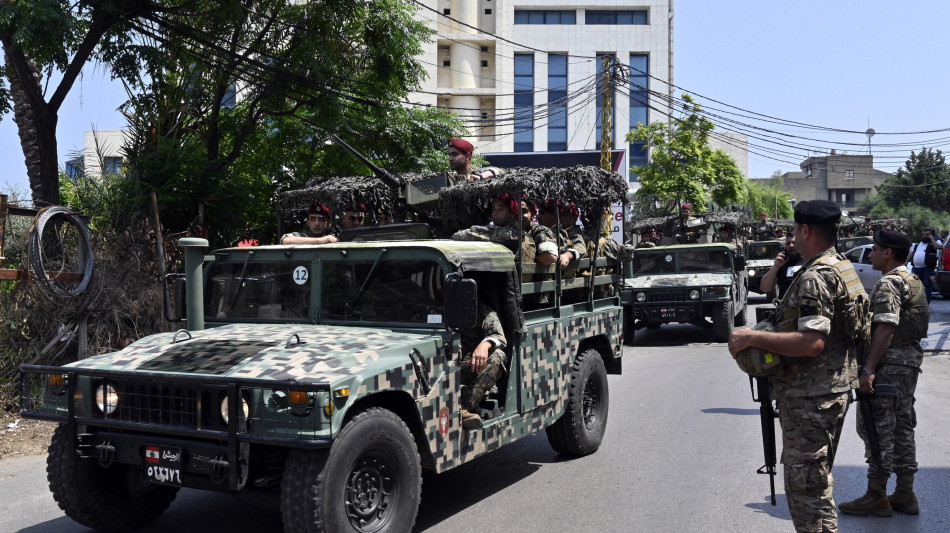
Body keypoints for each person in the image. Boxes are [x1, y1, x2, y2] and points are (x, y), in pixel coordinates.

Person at [728, 199, 864, 533]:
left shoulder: (815, 277)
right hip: (830, 390)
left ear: (805, 230)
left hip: (811, 398)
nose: (792, 238)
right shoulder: (841, 266)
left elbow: (811, 342)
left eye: (794, 231)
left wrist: (753, 339)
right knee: (818, 484)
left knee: (807, 494)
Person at [839, 230, 929, 517]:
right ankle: (905, 493)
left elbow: (886, 328)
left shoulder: (890, 284)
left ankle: (876, 494)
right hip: (907, 364)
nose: (872, 254)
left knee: (878, 427)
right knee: (903, 427)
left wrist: (868, 369)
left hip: (889, 366)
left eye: (876, 249)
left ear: (888, 252)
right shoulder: (912, 279)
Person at [459, 302, 508, 430]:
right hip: (435, 367)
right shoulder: (427, 306)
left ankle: (462, 408)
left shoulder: (477, 310)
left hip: (465, 367)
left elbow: (498, 335)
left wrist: (485, 345)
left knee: (498, 356)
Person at [537, 200, 587, 269]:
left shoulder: (569, 232)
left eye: (565, 215)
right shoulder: (537, 230)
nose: (561, 218)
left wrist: (567, 255)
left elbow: (580, 247)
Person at [760, 231, 803, 299]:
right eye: (788, 243)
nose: (791, 245)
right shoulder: (782, 264)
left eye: (794, 242)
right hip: (786, 308)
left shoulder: (809, 261)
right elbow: (764, 288)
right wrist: (776, 267)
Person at [909, 228, 943, 303]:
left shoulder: (936, 241)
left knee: (927, 287)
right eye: (923, 234)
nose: (925, 236)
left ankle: (925, 304)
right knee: (913, 286)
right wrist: (905, 261)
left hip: (927, 269)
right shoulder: (919, 243)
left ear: (932, 235)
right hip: (915, 268)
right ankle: (914, 304)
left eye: (927, 234)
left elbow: (939, 247)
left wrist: (932, 239)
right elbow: (912, 253)